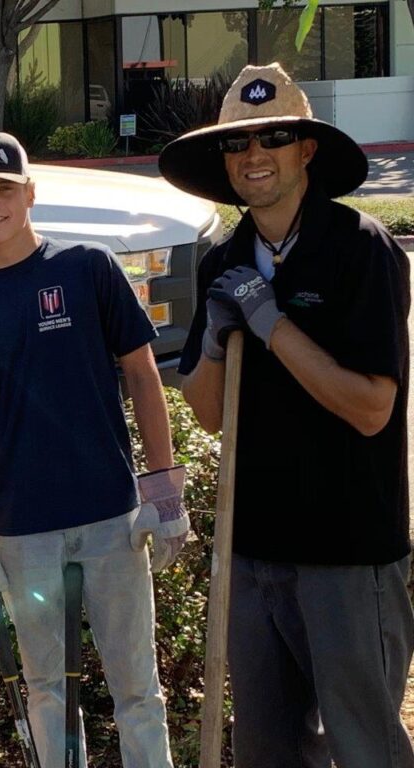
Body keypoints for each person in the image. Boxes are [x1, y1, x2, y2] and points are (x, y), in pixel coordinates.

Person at [159, 62, 414, 768]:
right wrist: (212, 342)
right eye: (238, 144)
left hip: (348, 551)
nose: (253, 155)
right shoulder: (223, 261)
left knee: (365, 747)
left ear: (306, 150)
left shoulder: (360, 248)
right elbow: (209, 416)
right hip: (255, 551)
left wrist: (272, 324)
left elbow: (372, 410)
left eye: (272, 138)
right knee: (267, 751)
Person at [0, 131, 186, 768]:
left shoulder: (87, 268)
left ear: (29, 193)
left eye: (3, 189)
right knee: (47, 690)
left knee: (138, 688)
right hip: (24, 528)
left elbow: (142, 373)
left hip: (112, 513)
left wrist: (162, 491)